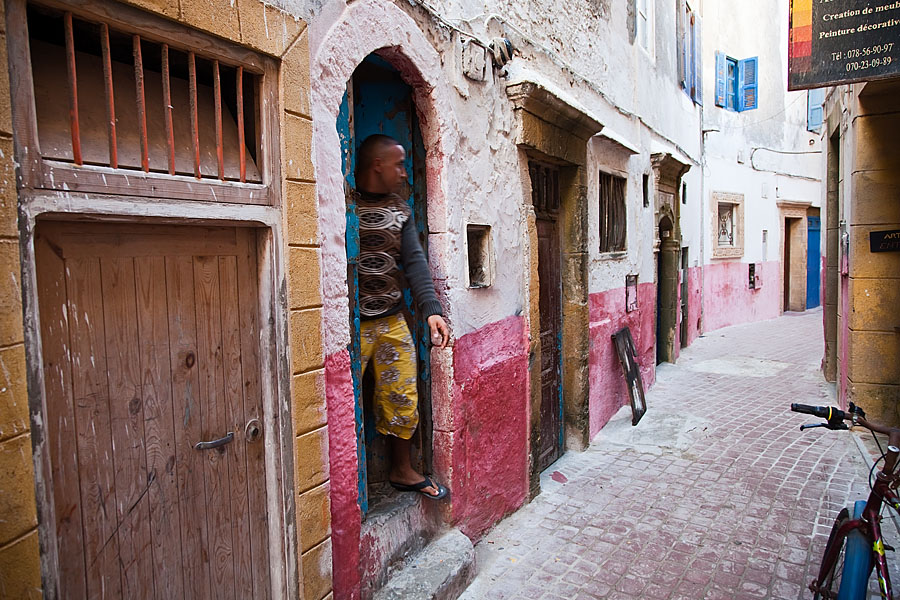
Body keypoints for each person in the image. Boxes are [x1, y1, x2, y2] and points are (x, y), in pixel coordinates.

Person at [352, 133, 450, 500]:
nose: (405, 172)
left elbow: (415, 263)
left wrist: (431, 311)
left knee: (402, 394)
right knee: (344, 400)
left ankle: (401, 470)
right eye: (399, 164)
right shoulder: (346, 203)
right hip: (353, 325)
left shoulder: (402, 210)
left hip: (391, 321)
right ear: (378, 165)